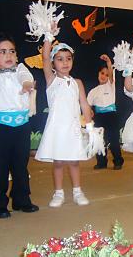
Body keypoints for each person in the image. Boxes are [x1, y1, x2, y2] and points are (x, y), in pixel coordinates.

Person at [0, 34, 38, 219]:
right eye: (2, 52)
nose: (8, 55)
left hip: (22, 124)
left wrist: (27, 84)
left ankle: (21, 199)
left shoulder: (20, 69)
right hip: (0, 127)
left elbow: (26, 76)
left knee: (21, 165)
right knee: (0, 166)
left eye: (11, 51)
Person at [35, 40, 95, 207]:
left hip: (73, 128)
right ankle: (59, 193)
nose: (65, 62)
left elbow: (84, 104)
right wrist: (48, 35)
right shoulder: (52, 80)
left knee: (74, 161)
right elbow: (45, 58)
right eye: (60, 59)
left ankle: (77, 191)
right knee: (59, 162)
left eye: (68, 58)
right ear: (54, 62)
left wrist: (89, 127)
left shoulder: (78, 82)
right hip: (57, 129)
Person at [87, 54, 124, 170]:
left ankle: (118, 161)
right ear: (98, 74)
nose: (104, 76)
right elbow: (87, 105)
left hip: (111, 116)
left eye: (107, 75)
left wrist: (108, 61)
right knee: (99, 141)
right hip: (99, 117)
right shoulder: (93, 91)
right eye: (102, 73)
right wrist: (90, 113)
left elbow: (111, 72)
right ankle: (101, 162)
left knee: (113, 140)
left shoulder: (111, 85)